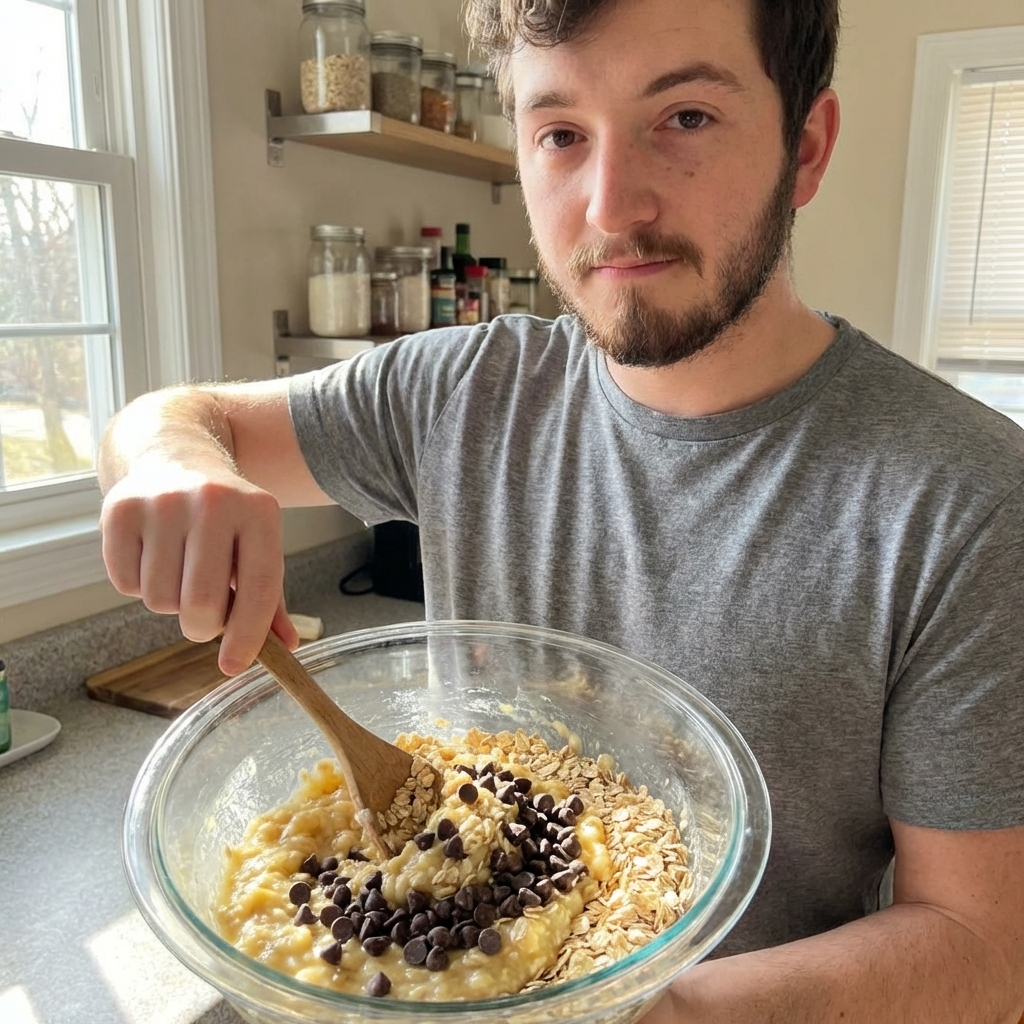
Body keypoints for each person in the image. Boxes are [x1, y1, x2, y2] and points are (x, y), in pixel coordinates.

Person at [98, 0, 1024, 1019]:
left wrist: (635, 1010)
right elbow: (186, 417)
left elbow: (981, 950)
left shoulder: (970, 498)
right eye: (560, 135)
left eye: (684, 119)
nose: (610, 204)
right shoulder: (458, 390)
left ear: (804, 148)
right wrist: (166, 463)